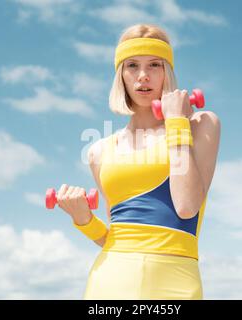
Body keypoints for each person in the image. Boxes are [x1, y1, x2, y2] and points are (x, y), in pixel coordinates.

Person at [56, 23, 221, 299]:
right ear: (120, 76)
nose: (143, 76)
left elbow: (186, 206)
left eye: (154, 65)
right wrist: (84, 220)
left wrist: (177, 121)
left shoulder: (200, 125)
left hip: (175, 281)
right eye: (132, 65)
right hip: (110, 281)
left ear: (167, 72)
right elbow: (114, 237)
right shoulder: (99, 151)